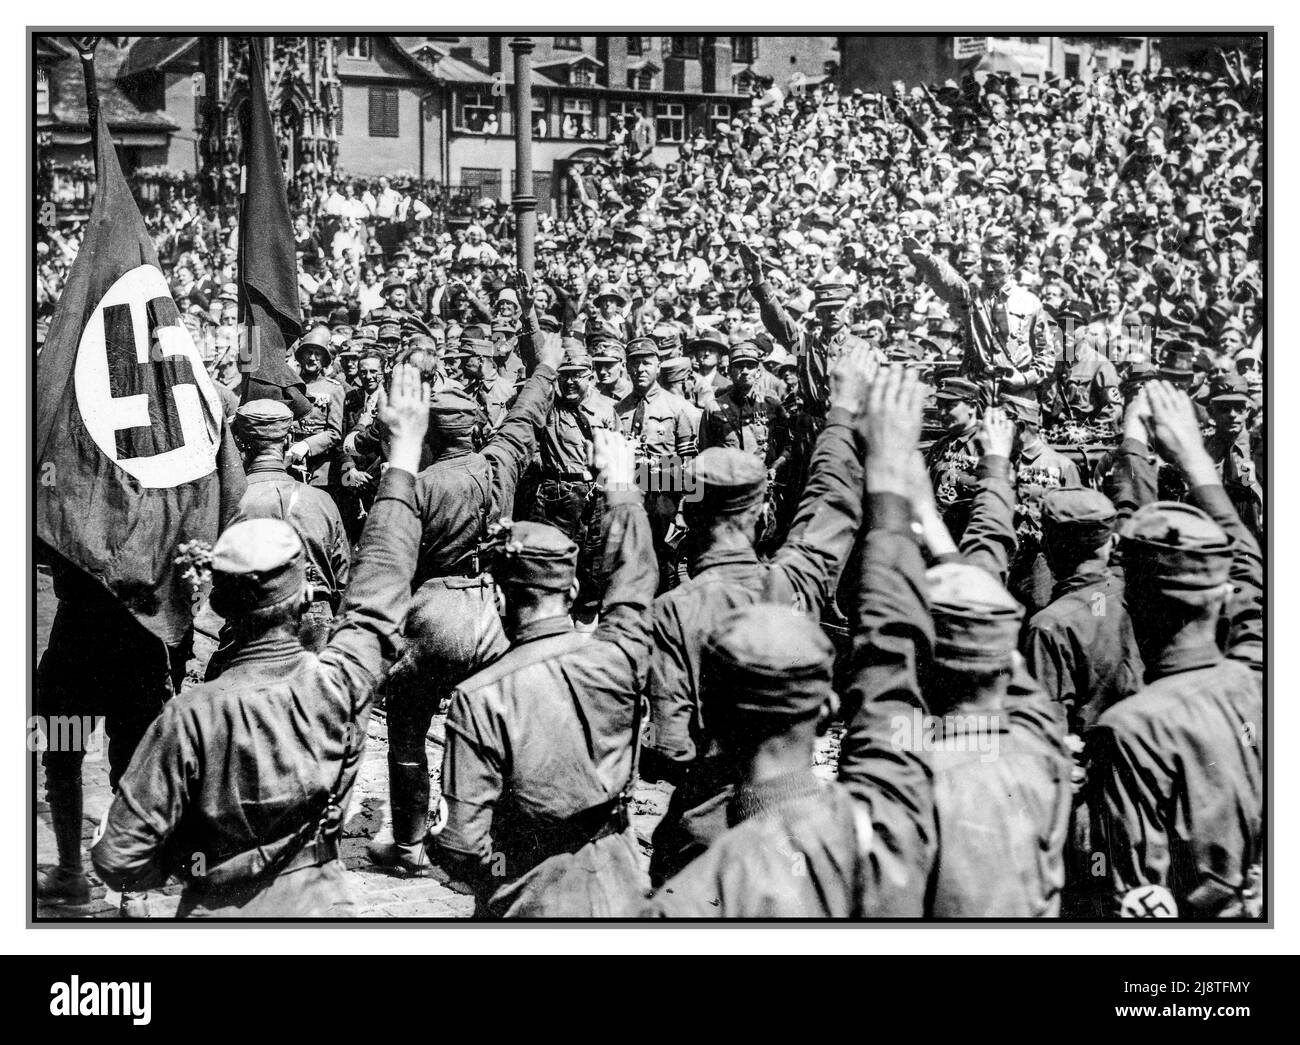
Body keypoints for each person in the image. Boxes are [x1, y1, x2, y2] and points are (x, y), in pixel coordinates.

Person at [90, 365, 431, 918]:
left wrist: (193, 861)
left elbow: (119, 859)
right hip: (322, 907)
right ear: (302, 597)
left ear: (218, 603)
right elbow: (379, 580)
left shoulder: (187, 717)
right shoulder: (339, 681)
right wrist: (405, 454)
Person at [644, 366, 937, 917]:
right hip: (799, 817)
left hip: (703, 832)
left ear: (690, 511)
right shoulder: (792, 581)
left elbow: (669, 751)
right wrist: (840, 416)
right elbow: (830, 507)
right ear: (759, 514)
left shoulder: (671, 612)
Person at [431, 429, 656, 917]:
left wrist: (504, 872)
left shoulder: (479, 697)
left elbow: (461, 846)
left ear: (499, 597)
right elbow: (634, 580)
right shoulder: (618, 655)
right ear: (573, 590)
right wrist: (620, 489)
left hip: (530, 897)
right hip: (620, 881)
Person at [365, 334, 562, 871]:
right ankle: (496, 845)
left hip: (435, 613)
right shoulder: (499, 463)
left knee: (407, 731)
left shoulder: (419, 484)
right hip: (497, 612)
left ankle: (407, 848)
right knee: (504, 733)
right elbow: (525, 417)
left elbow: (390, 558)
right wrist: (544, 368)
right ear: (476, 429)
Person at [1085, 381, 1263, 919]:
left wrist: (1133, 443)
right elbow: (1250, 578)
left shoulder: (1132, 729)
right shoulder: (1262, 674)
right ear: (1220, 598)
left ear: (1132, 598)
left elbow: (1138, 901)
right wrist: (1195, 459)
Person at [205, 400, 351, 679]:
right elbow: (343, 582)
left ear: (240, 444)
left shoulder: (231, 501)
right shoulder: (322, 500)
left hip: (253, 628)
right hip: (317, 627)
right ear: (286, 440)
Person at [903, 232, 1055, 412]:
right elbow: (951, 282)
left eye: (996, 263)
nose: (989, 269)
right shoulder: (972, 296)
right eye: (984, 263)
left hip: (1017, 397)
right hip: (977, 395)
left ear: (1011, 264)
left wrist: (1024, 379)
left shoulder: (1030, 302)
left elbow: (1046, 356)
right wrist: (929, 260)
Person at [530, 341, 619, 623]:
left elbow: (618, 454)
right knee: (554, 557)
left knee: (591, 560)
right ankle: (555, 619)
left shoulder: (606, 410)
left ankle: (586, 617)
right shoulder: (549, 408)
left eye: (577, 375)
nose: (569, 381)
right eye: (564, 375)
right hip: (556, 493)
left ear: (590, 376)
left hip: (594, 493)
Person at [615, 337, 698, 591]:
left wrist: (684, 510)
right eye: (634, 363)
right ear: (626, 367)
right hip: (629, 499)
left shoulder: (678, 408)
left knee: (667, 565)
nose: (640, 369)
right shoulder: (619, 409)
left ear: (658, 365)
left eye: (646, 363)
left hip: (665, 500)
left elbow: (690, 465)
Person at [286, 326, 346, 494]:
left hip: (320, 470)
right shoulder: (291, 386)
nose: (312, 358)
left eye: (318, 354)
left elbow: (334, 433)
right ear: (300, 356)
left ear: (325, 358)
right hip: (290, 462)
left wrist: (307, 445)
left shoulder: (334, 389)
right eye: (308, 353)